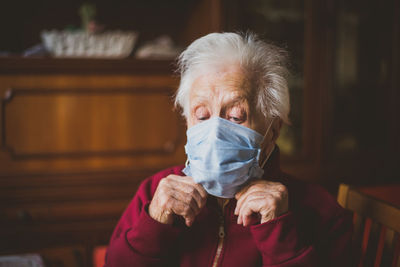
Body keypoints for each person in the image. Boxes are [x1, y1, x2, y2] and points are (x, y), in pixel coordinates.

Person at [104, 32, 353, 267]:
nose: (214, 132)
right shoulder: (155, 191)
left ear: (273, 131)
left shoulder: (322, 211)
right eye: (201, 116)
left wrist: (279, 230)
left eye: (235, 116)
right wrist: (154, 222)